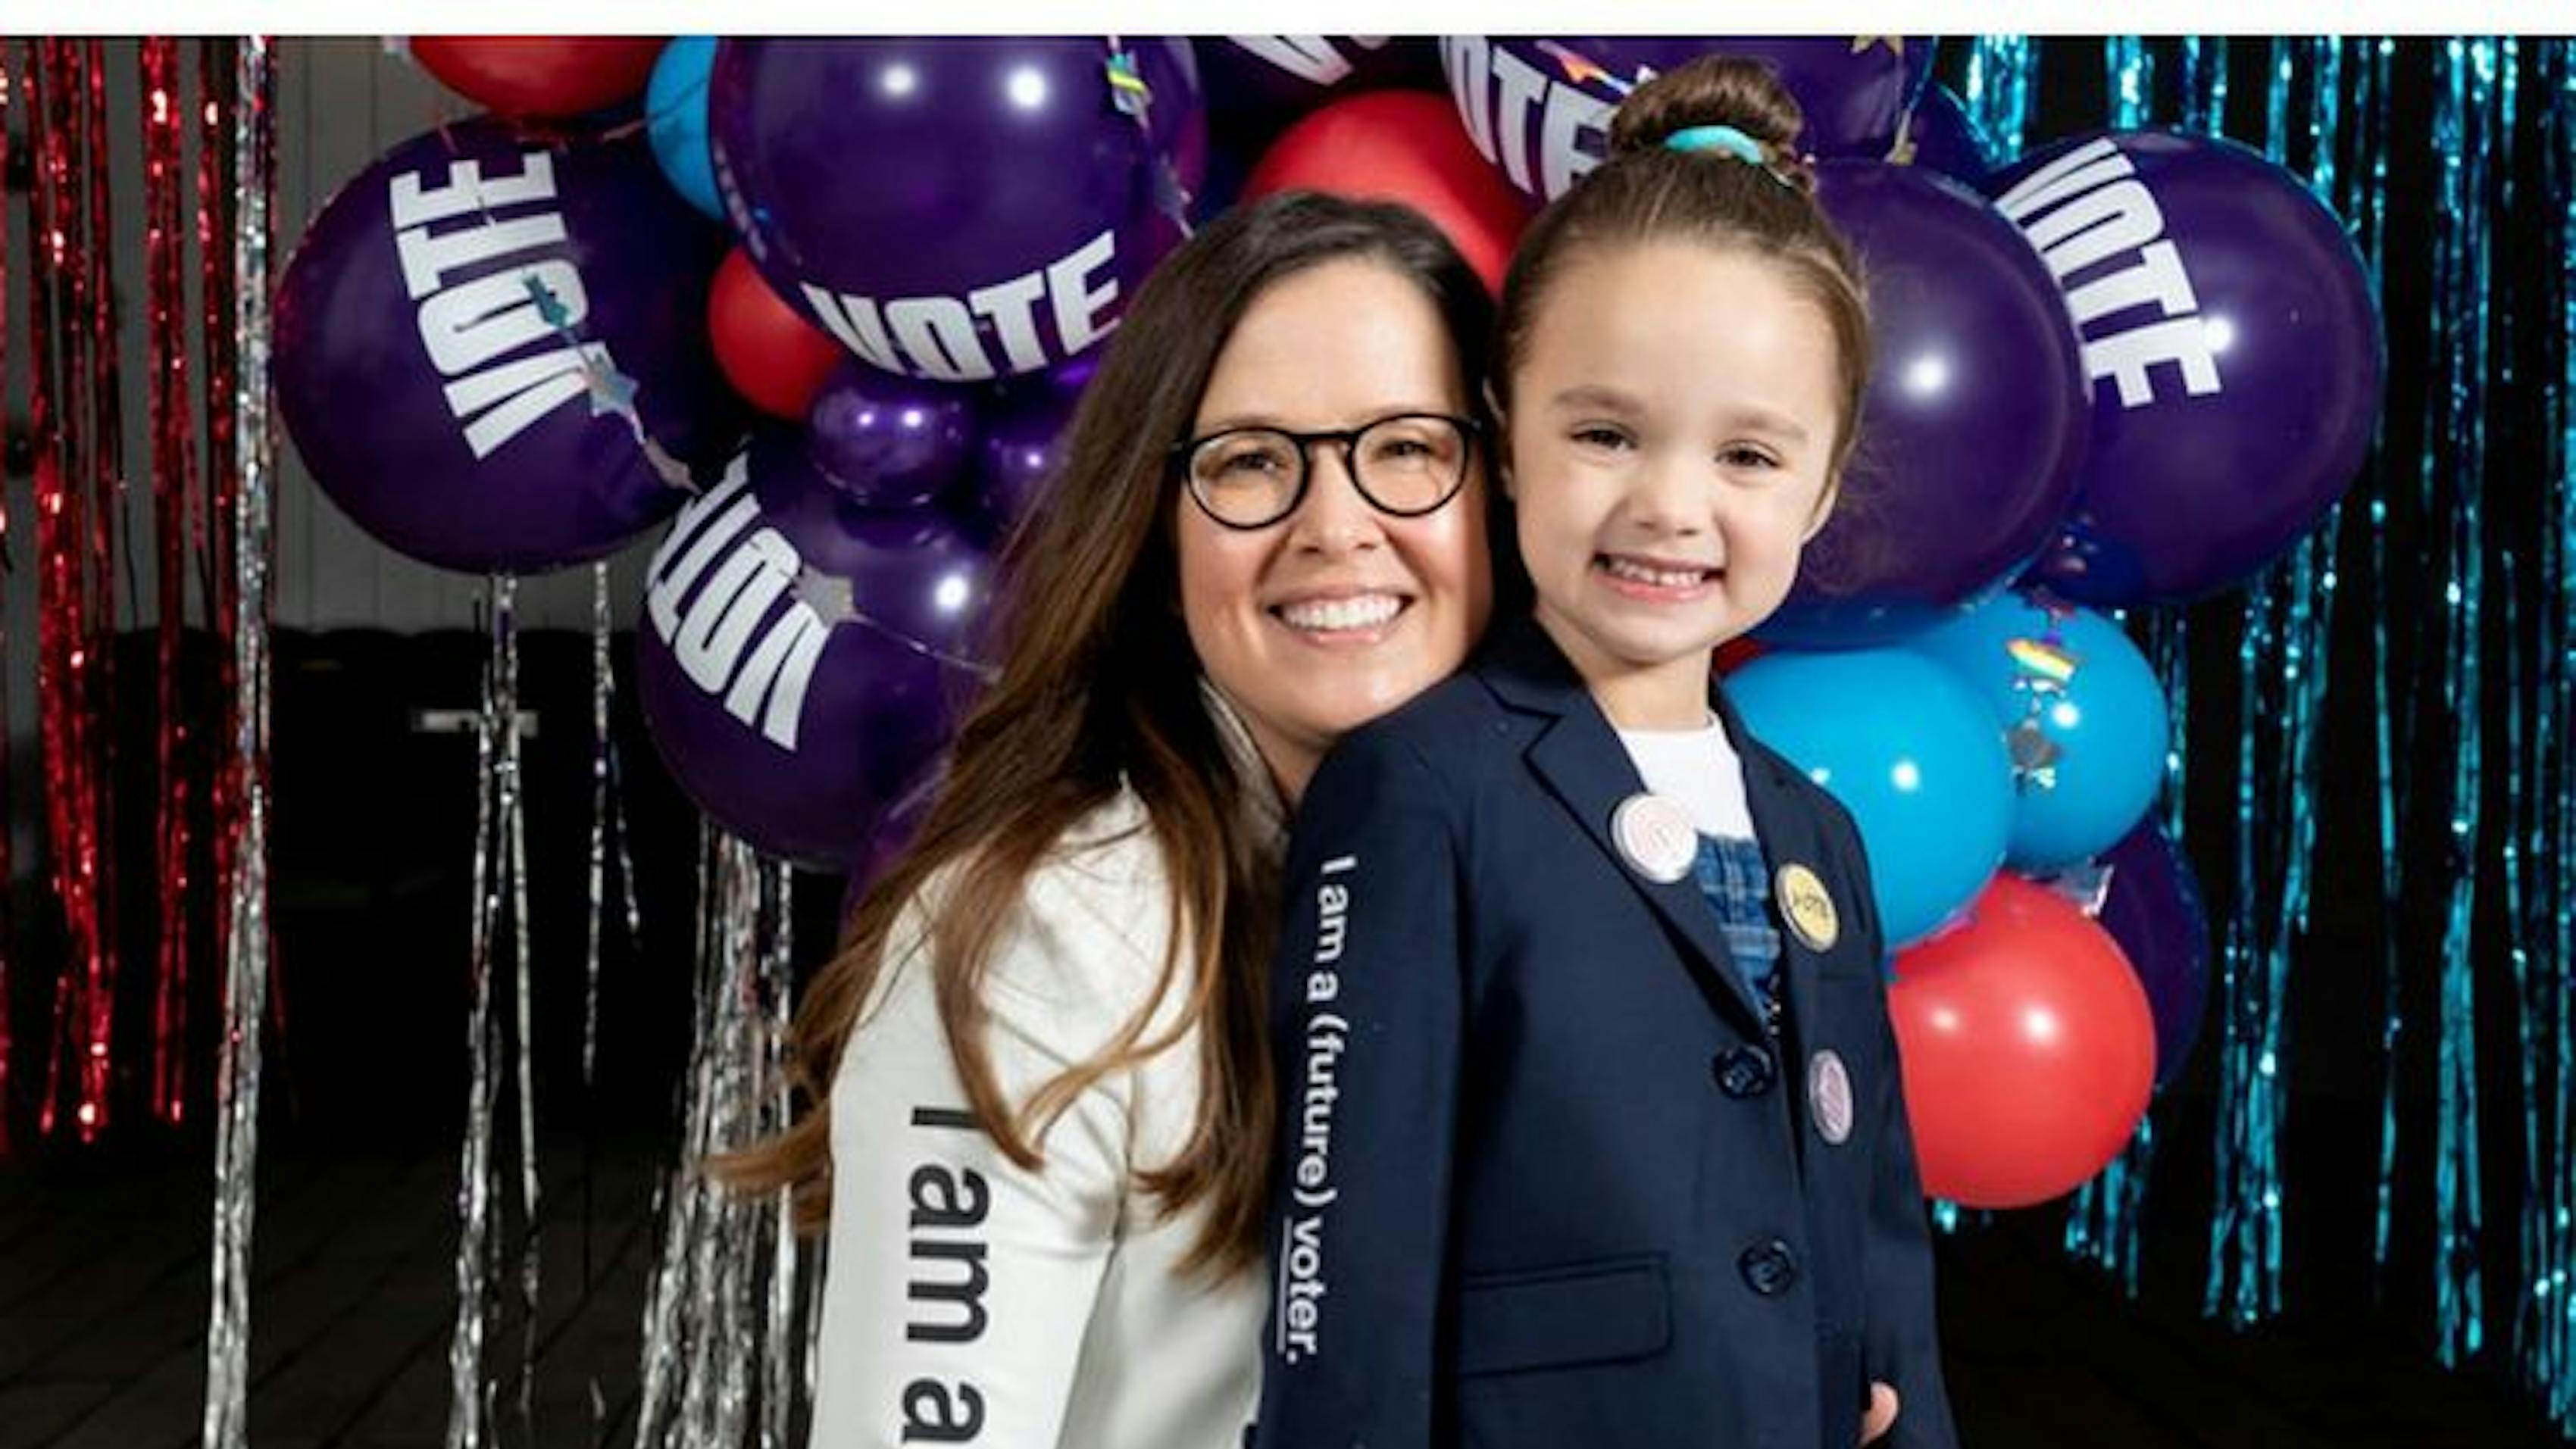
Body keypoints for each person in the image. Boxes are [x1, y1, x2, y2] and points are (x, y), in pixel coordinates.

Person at [719, 190, 1502, 1449]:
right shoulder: (1036, 937)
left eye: (1407, 447)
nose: (1337, 524)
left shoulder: (1569, 884)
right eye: (1251, 460)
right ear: (1156, 523)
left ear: (1499, 487)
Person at [1252, 56, 1957, 1449]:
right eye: (1604, 432)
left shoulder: (1818, 835)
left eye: (1748, 458)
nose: (1668, 505)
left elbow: (1881, 1233)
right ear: (1508, 438)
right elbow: (1350, 1253)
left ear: (1821, 486)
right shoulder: (1420, 787)